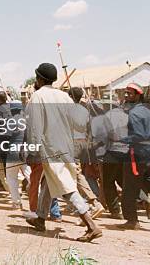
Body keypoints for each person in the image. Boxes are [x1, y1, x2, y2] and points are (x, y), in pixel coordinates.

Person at [24, 63, 101, 242]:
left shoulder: (37, 96)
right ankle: (41, 219)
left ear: (40, 79)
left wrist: (33, 150)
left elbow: (34, 127)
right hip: (66, 147)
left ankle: (91, 225)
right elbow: (75, 123)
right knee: (48, 183)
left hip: (50, 149)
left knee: (67, 187)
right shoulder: (65, 97)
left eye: (36, 77)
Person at [119, 83, 150, 230]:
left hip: (137, 155)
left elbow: (139, 135)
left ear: (138, 95)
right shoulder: (148, 111)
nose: (126, 96)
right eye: (126, 93)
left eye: (130, 93)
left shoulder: (134, 113)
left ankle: (132, 220)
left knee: (129, 188)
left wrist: (122, 139)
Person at [67, 87, 105, 219]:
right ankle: (80, 204)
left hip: (73, 143)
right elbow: (89, 129)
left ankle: (92, 203)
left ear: (71, 97)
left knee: (75, 175)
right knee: (74, 174)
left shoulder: (67, 109)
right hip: (83, 142)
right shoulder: (84, 110)